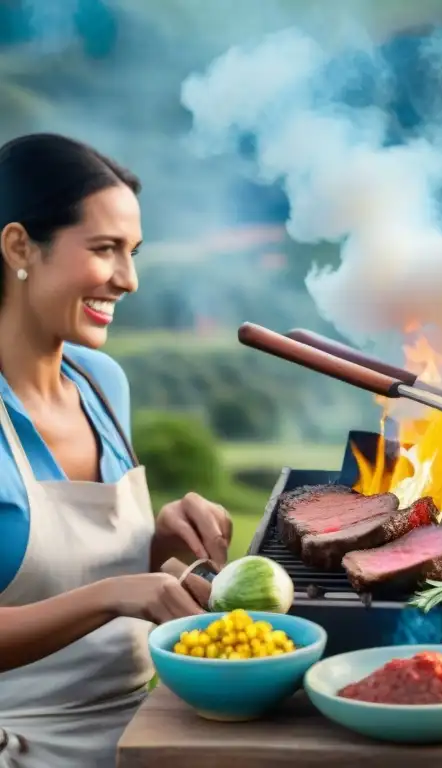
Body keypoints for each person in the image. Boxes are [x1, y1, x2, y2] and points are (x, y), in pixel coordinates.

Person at [0, 134, 234, 767]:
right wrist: (113, 595)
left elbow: (109, 575)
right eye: (104, 250)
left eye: (132, 252)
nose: (128, 280)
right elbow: (108, 594)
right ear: (20, 246)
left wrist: (164, 544)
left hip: (147, 732)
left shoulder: (102, 384)